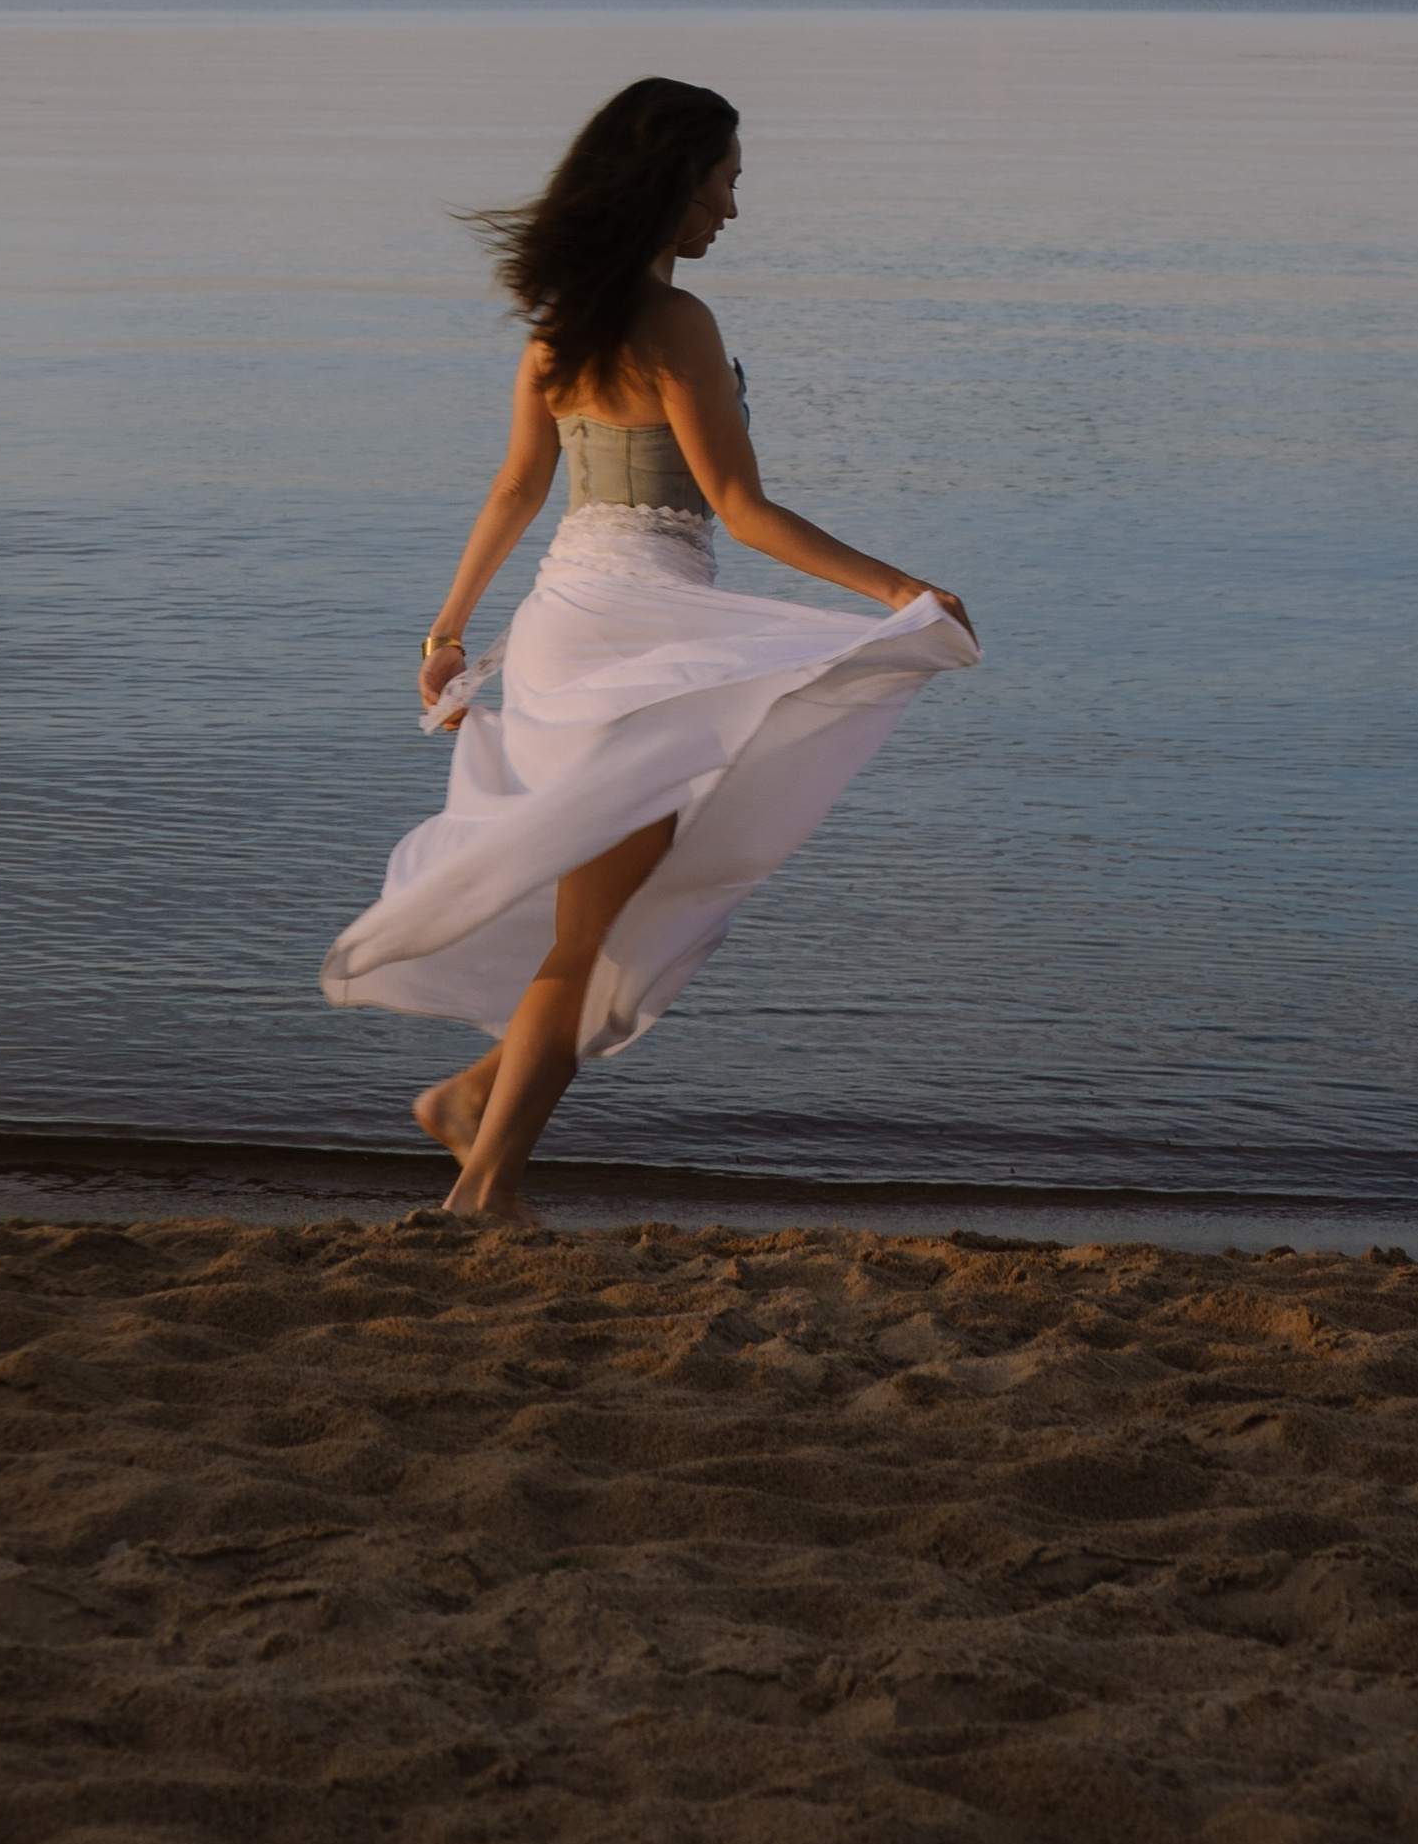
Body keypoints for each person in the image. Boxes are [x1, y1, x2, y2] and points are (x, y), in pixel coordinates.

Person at [321, 75, 977, 1226]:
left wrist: (445, 632)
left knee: (612, 910)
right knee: (599, 926)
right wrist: (901, 588)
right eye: (722, 181)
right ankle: (484, 1185)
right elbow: (739, 506)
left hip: (567, 619)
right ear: (672, 182)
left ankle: (477, 1100)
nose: (730, 206)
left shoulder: (559, 326)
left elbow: (517, 488)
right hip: (645, 631)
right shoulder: (677, 325)